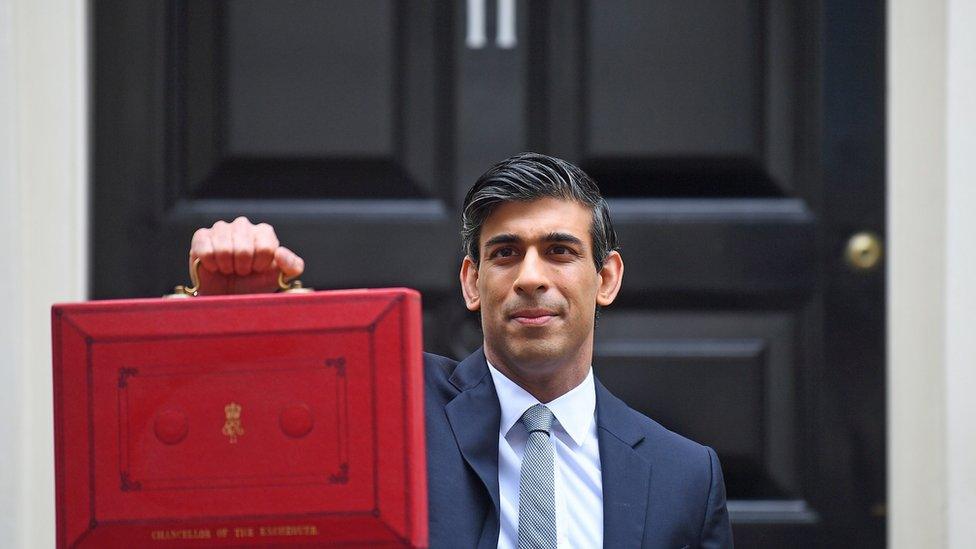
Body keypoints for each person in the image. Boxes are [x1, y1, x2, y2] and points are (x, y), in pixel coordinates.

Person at [189, 153, 733, 548]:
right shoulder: (387, 403)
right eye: (505, 253)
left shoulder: (684, 476)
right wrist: (238, 319)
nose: (530, 277)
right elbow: (249, 447)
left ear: (606, 278)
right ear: (473, 283)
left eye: (560, 251)